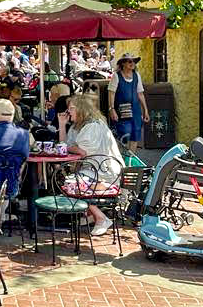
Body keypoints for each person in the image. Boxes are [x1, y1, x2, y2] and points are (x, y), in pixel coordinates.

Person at [58, 94, 125, 236]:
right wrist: (62, 125)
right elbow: (64, 147)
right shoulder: (77, 127)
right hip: (92, 171)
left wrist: (70, 147)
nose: (68, 111)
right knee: (70, 180)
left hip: (106, 173)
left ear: (81, 109)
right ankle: (90, 214)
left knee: (73, 183)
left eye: (71, 108)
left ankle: (101, 218)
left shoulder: (93, 126)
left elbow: (81, 152)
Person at [108, 53, 149, 152]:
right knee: (124, 134)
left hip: (135, 110)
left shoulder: (136, 75)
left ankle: (131, 160)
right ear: (123, 63)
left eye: (134, 61)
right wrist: (112, 109)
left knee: (135, 133)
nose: (132, 63)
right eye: (129, 61)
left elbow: (140, 94)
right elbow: (111, 93)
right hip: (122, 111)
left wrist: (145, 111)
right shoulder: (116, 76)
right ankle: (122, 159)